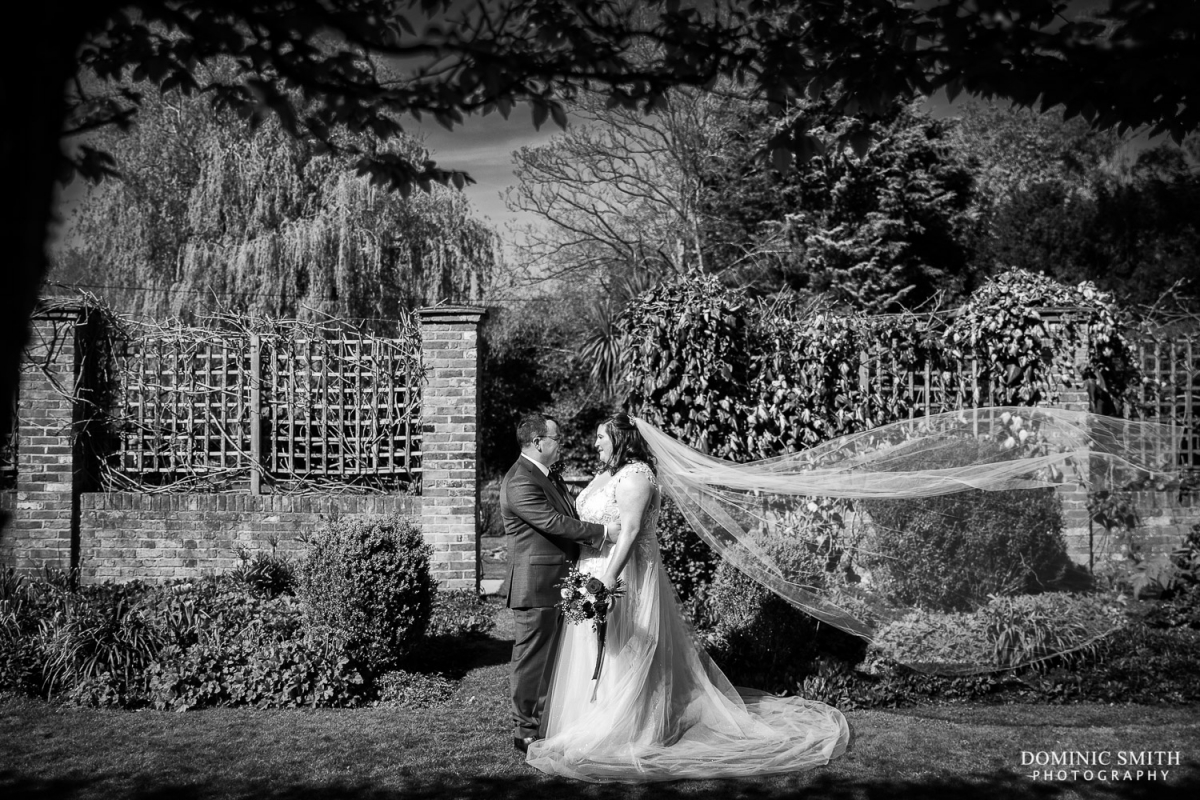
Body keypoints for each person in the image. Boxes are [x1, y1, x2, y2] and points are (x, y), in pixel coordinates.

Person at [525, 413, 849, 783]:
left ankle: (624, 728)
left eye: (601, 437)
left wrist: (607, 581)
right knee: (593, 647)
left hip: (622, 575)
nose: (594, 443)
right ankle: (585, 719)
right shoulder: (606, 473)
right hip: (591, 568)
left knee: (626, 648)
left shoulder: (636, 477)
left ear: (620, 438)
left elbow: (630, 534)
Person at [499, 413, 618, 755]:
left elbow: (569, 517)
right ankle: (524, 731)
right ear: (538, 442)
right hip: (536, 584)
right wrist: (604, 533)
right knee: (532, 659)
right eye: (556, 437)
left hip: (561, 581)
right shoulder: (520, 479)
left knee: (555, 658)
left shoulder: (548, 475)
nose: (560, 442)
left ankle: (548, 720)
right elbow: (553, 522)